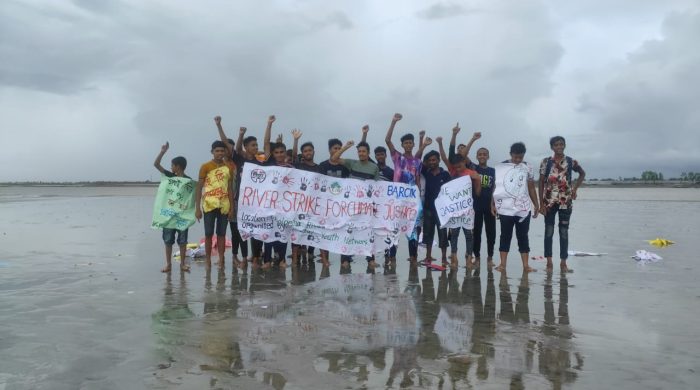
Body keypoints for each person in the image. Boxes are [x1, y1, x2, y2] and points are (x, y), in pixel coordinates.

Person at [384, 113, 431, 262]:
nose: (408, 145)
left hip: (411, 200)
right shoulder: (398, 157)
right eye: (406, 143)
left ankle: (413, 257)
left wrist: (418, 199)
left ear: (413, 145)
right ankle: (391, 257)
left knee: (413, 228)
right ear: (403, 145)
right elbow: (387, 140)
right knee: (394, 228)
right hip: (397, 199)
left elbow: (417, 179)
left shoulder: (417, 162)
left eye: (411, 143)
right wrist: (393, 122)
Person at [538, 136, 585, 273]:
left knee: (564, 232)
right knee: (549, 231)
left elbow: (582, 174)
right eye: (556, 145)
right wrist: (541, 203)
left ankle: (563, 263)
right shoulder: (546, 162)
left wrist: (575, 189)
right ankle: (549, 262)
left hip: (566, 201)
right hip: (549, 202)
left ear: (564, 145)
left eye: (561, 144)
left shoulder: (571, 161)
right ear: (552, 147)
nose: (559, 146)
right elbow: (541, 182)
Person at [331, 137, 380, 269]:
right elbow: (334, 159)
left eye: (364, 151)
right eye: (359, 151)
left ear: (368, 153)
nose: (361, 153)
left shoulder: (374, 167)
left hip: (366, 207)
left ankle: (370, 259)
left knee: (368, 232)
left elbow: (377, 188)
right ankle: (345, 259)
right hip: (351, 206)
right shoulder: (352, 163)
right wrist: (346, 146)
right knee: (348, 231)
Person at [491, 142, 540, 273]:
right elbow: (496, 187)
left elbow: (530, 187)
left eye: (520, 157)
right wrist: (493, 204)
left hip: (523, 209)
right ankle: (502, 265)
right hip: (505, 209)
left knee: (523, 236)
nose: (518, 160)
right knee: (505, 236)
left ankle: (526, 265)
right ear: (510, 154)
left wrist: (536, 204)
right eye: (515, 157)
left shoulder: (528, 167)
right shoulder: (502, 167)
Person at [234, 115, 276, 265]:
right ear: (246, 147)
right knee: (248, 229)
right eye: (253, 145)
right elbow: (237, 148)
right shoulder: (241, 160)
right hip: (244, 202)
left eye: (256, 145)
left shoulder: (262, 161)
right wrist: (241, 135)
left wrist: (269, 124)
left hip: (261, 201)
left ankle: (261, 256)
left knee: (262, 228)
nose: (256, 147)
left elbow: (266, 143)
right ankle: (253, 256)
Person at [436, 132, 482, 268]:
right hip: (455, 209)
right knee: (454, 234)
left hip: (468, 210)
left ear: (464, 162)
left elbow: (478, 193)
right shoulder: (453, 171)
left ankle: (468, 258)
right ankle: (454, 257)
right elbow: (444, 158)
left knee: (469, 235)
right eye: (455, 167)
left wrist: (478, 180)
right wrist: (439, 143)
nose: (457, 169)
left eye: (459, 166)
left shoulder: (471, 173)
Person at [214, 116, 249, 269]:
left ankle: (245, 258)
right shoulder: (220, 165)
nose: (228, 150)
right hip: (227, 202)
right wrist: (219, 125)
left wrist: (240, 135)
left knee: (243, 231)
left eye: (230, 147)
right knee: (233, 231)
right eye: (226, 147)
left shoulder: (238, 162)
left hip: (242, 202)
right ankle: (234, 257)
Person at [195, 140, 236, 269]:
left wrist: (232, 209)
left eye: (222, 151)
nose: (219, 153)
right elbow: (199, 188)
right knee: (208, 233)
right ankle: (208, 260)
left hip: (224, 205)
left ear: (225, 152)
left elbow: (229, 189)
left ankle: (221, 258)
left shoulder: (228, 167)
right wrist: (197, 209)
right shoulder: (205, 166)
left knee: (222, 233)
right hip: (209, 204)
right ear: (212, 152)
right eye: (217, 151)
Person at [153, 142, 192, 273]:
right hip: (169, 214)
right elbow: (156, 165)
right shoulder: (170, 176)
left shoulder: (188, 181)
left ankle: (182, 264)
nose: (171, 167)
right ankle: (168, 264)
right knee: (168, 240)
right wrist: (162, 151)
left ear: (178, 166)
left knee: (182, 241)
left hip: (182, 215)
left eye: (172, 165)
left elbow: (191, 199)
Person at [462, 132, 497, 268]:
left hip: (489, 206)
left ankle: (490, 257)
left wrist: (493, 204)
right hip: (475, 206)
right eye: (480, 154)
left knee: (491, 233)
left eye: (484, 154)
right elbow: (463, 155)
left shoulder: (493, 171)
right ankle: (477, 257)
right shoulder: (473, 168)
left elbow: (495, 188)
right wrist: (472, 139)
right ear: (477, 157)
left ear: (488, 156)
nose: (482, 156)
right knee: (476, 233)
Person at [318, 138, 350, 267]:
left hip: (342, 205)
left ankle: (345, 259)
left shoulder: (345, 166)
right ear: (329, 150)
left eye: (339, 148)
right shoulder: (323, 166)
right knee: (325, 232)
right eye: (335, 148)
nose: (337, 151)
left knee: (344, 231)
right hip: (326, 205)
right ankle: (325, 259)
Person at [420, 150, 451, 265]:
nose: (432, 162)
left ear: (438, 160)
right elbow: (419, 162)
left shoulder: (445, 174)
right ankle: (428, 256)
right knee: (428, 233)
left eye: (434, 160)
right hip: (428, 208)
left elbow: (451, 190)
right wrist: (424, 145)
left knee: (442, 233)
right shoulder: (426, 172)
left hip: (442, 210)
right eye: (430, 160)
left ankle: (444, 258)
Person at [374, 145, 397, 266]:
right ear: (375, 156)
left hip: (388, 208)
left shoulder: (391, 172)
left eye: (382, 154)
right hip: (375, 208)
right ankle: (371, 258)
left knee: (391, 232)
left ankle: (391, 256)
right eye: (377, 155)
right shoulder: (372, 168)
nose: (380, 156)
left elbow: (395, 189)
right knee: (375, 233)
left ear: (385, 155)